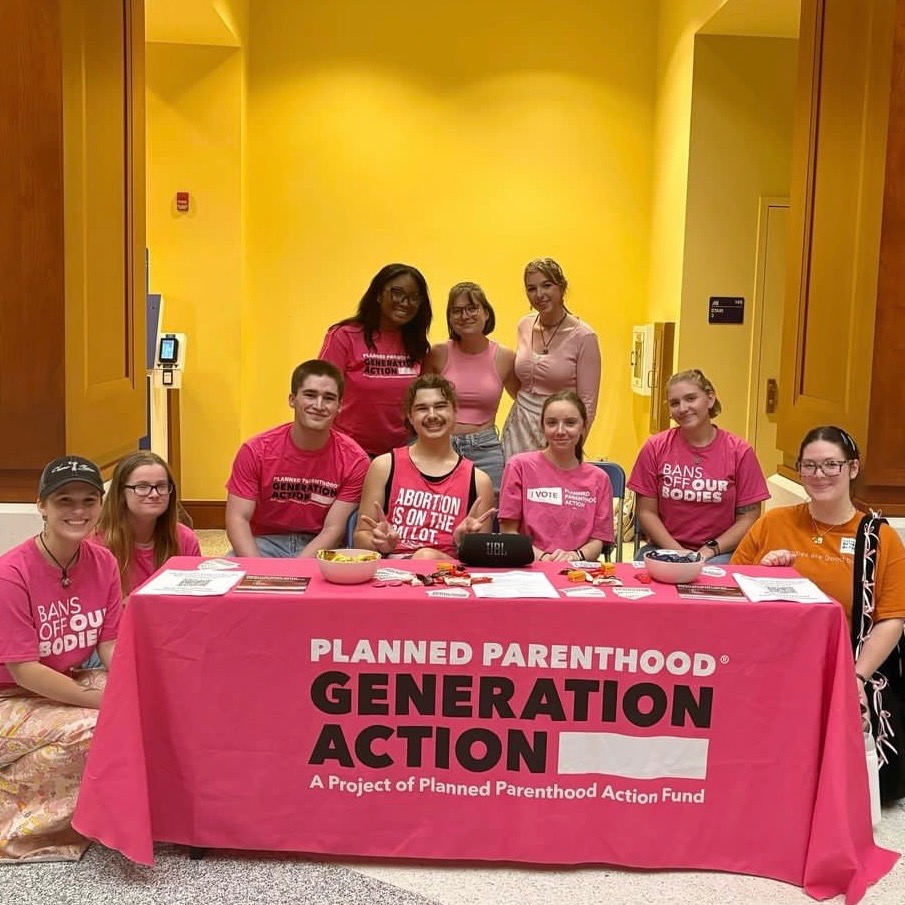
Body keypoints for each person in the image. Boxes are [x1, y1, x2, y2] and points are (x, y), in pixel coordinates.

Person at [0, 455, 121, 862]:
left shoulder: (103, 560)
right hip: (10, 694)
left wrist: (125, 687)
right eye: (64, 501)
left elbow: (109, 642)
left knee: (146, 708)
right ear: (41, 506)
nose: (78, 511)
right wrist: (100, 701)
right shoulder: (11, 573)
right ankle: (22, 827)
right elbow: (23, 668)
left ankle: (116, 811)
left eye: (89, 500)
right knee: (95, 727)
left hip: (61, 679)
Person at [732, 426, 905, 703]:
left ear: (853, 468)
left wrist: (856, 679)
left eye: (831, 465)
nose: (819, 475)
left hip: (841, 673)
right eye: (809, 466)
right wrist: (759, 575)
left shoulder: (879, 538)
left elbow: (891, 619)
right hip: (765, 667)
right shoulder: (772, 523)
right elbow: (729, 594)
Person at [226, 359, 369, 558]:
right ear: (292, 399)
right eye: (310, 395)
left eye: (328, 398)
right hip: (264, 543)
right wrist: (256, 570)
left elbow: (333, 530)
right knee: (228, 574)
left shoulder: (356, 460)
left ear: (340, 406)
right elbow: (237, 518)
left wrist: (296, 572)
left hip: (322, 547)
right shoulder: (255, 451)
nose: (318, 405)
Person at [628, 368, 769, 564]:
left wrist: (708, 551)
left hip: (720, 551)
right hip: (664, 547)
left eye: (691, 398)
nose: (683, 408)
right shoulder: (654, 447)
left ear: (710, 399)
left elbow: (749, 517)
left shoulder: (740, 452)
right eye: (675, 403)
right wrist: (679, 553)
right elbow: (646, 513)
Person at [354, 374, 495, 560]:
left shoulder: (479, 480)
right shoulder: (384, 466)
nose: (432, 415)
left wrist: (465, 543)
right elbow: (359, 538)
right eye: (422, 408)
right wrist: (379, 542)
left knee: (425, 557)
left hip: (449, 576)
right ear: (410, 417)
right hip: (392, 574)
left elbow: (482, 557)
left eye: (440, 406)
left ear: (455, 412)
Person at [318, 263, 432, 457]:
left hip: (402, 454)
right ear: (379, 295)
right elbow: (322, 393)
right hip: (349, 452)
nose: (405, 303)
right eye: (397, 293)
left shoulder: (417, 345)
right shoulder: (344, 336)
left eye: (414, 297)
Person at [500, 257, 601, 458]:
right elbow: (520, 382)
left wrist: (574, 448)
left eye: (547, 285)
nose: (539, 294)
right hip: (519, 427)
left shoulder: (584, 337)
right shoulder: (524, 325)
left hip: (559, 430)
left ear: (562, 288)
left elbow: (587, 403)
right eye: (531, 288)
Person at [424, 281, 519, 493]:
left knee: (486, 517)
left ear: (486, 313)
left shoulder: (505, 357)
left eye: (472, 308)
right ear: (449, 318)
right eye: (456, 311)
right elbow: (419, 402)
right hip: (440, 446)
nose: (465, 316)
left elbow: (525, 403)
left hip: (486, 450)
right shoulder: (437, 353)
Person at [499, 391, 614, 562]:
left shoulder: (599, 479)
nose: (560, 431)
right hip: (529, 565)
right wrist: (544, 558)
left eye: (570, 423)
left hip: (579, 569)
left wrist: (575, 556)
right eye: (552, 423)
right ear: (542, 427)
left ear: (583, 426)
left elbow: (598, 540)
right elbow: (508, 532)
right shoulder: (519, 466)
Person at [92, 452, 200, 595]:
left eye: (161, 486)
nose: (155, 494)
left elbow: (196, 598)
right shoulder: (97, 545)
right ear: (121, 494)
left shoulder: (185, 538)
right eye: (142, 487)